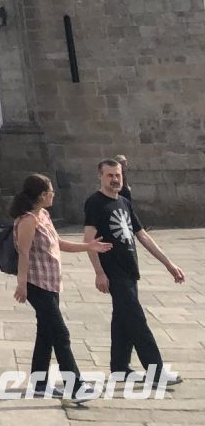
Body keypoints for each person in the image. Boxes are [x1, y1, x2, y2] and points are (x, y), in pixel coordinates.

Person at [82, 158, 185, 388]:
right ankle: (156, 371)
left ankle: (120, 369)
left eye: (117, 175)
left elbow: (142, 235)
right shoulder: (95, 203)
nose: (115, 179)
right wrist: (99, 272)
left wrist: (169, 264)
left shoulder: (124, 202)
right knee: (137, 320)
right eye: (110, 175)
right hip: (114, 272)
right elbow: (89, 240)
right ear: (100, 176)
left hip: (130, 271)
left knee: (122, 320)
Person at [9, 173, 110, 400]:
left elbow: (59, 243)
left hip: (51, 283)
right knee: (60, 334)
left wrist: (89, 246)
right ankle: (75, 387)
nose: (54, 194)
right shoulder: (27, 220)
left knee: (46, 332)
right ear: (43, 195)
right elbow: (23, 254)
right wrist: (21, 285)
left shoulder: (43, 215)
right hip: (36, 285)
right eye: (51, 191)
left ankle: (39, 383)